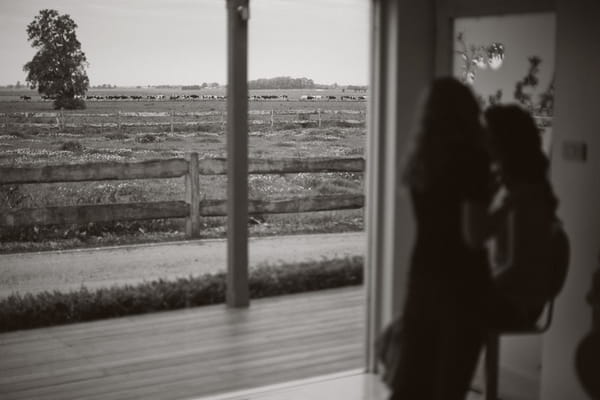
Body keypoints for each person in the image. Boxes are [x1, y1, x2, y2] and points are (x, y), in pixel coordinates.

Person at [385, 77, 494, 400]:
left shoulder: (422, 160)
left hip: (423, 275)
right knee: (450, 382)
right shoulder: (473, 159)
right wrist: (506, 207)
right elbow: (474, 236)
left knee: (414, 376)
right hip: (463, 282)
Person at [483, 104, 562, 329]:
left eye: (488, 135)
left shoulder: (525, 197)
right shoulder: (513, 189)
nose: (482, 142)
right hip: (514, 298)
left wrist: (478, 286)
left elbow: (517, 269)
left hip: (517, 305)